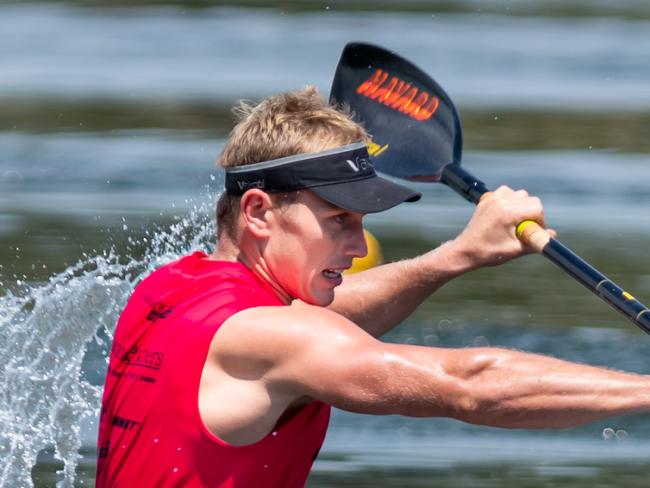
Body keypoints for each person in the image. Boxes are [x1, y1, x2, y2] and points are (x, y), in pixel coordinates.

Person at [96, 87, 650, 487]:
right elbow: (470, 386)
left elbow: (335, 317)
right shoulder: (274, 337)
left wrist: (457, 256)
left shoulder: (172, 288)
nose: (359, 248)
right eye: (340, 219)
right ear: (259, 211)